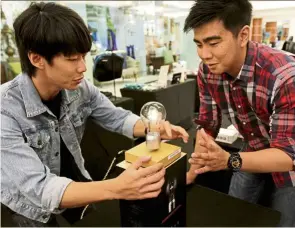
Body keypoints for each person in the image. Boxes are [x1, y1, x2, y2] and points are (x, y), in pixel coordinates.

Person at [0, 2, 189, 226]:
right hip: (30, 210)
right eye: (72, 59)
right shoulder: (6, 110)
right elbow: (40, 187)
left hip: (79, 190)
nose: (83, 68)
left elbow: (117, 117)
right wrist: (118, 188)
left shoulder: (80, 89)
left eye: (83, 56)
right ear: (36, 59)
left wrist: (152, 127)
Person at [184, 0, 295, 227]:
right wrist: (193, 169)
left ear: (243, 35)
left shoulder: (284, 75)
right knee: (232, 214)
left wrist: (228, 160)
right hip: (252, 145)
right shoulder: (207, 70)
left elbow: (287, 156)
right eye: (198, 44)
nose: (204, 54)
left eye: (213, 43)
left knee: (284, 220)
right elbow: (207, 124)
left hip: (288, 158)